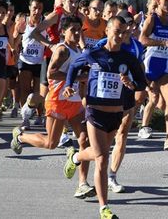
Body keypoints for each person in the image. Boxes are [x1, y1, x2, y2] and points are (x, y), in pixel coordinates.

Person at [62, 16, 146, 219]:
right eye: (117, 31)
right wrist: (68, 85)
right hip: (95, 111)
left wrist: (130, 84)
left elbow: (142, 84)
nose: (120, 35)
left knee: (98, 153)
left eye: (124, 32)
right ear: (107, 31)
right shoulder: (93, 53)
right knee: (102, 158)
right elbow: (73, 67)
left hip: (116, 113)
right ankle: (104, 208)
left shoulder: (128, 59)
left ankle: (74, 157)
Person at [10, 16, 94, 199]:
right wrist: (78, 78)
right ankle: (20, 136)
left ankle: (82, 184)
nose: (77, 33)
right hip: (57, 100)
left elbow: (80, 72)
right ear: (64, 31)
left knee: (84, 140)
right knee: (51, 143)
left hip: (75, 101)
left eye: (79, 29)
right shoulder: (62, 50)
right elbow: (52, 73)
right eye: (73, 29)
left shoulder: (79, 51)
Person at [93, 11, 145, 193]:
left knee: (122, 134)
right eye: (125, 24)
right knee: (102, 145)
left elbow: (140, 70)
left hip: (126, 96)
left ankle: (112, 176)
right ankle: (89, 163)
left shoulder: (137, 47)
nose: (129, 28)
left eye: (131, 24)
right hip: (103, 99)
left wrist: (139, 88)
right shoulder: (103, 44)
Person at [138, 0, 168, 150]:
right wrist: (164, 44)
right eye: (166, 0)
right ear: (158, 2)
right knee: (147, 100)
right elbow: (142, 39)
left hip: (164, 67)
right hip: (148, 67)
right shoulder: (152, 18)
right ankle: (141, 126)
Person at [16, 0, 45, 127]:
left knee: (38, 92)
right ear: (29, 8)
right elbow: (14, 38)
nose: (37, 11)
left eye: (39, 8)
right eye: (34, 8)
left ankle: (39, 115)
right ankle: (25, 117)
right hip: (25, 60)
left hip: (40, 62)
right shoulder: (23, 22)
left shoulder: (46, 22)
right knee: (25, 90)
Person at [0, 0, 14, 149]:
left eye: (3, 13)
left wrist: (18, 33)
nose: (0, 16)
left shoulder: (6, 29)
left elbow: (12, 45)